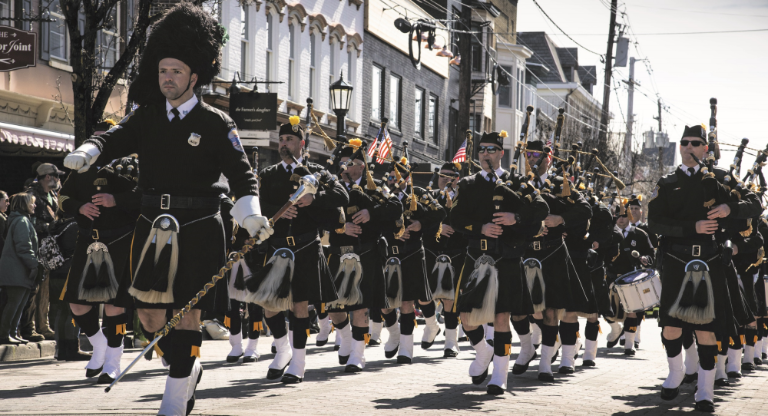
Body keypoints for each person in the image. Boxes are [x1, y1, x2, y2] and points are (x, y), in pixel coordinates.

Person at [62, 4, 272, 414]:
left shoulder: (217, 123)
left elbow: (242, 175)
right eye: (162, 71)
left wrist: (249, 212)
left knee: (187, 314)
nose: (167, 78)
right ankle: (185, 368)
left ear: (194, 76)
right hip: (151, 224)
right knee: (152, 319)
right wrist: (89, 150)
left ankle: (174, 398)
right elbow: (113, 138)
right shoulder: (147, 118)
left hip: (199, 224)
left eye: (175, 72)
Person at [649, 124, 762, 413]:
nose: (688, 147)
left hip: (710, 261)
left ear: (705, 149)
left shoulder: (721, 179)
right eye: (684, 142)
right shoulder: (668, 182)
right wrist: (692, 227)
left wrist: (729, 209)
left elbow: (755, 203)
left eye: (695, 143)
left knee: (706, 331)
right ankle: (676, 372)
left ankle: (705, 391)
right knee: (671, 328)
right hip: (676, 261)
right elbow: (655, 223)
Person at [451, 131, 548, 394]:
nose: (485, 154)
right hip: (477, 257)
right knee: (467, 318)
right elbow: (455, 219)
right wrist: (479, 227)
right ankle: (483, 352)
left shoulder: (516, 181)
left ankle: (500, 375)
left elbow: (541, 209)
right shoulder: (469, 184)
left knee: (502, 317)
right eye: (482, 149)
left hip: (506, 256)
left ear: (501, 153)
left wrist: (515, 218)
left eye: (491, 149)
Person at [255, 119, 347, 383]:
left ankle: (299, 362)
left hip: (306, 246)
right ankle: (282, 350)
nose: (284, 144)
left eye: (290, 140)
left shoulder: (317, 171)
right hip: (278, 247)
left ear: (301, 144)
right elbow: (259, 204)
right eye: (282, 140)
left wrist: (312, 198)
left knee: (299, 307)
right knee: (269, 307)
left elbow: (342, 195)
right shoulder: (269, 174)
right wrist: (279, 211)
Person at [58, 156, 141, 382]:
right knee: (76, 303)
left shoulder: (131, 165)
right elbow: (63, 196)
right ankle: (100, 344)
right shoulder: (82, 168)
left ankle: (113, 362)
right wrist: (79, 207)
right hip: (87, 242)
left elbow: (144, 196)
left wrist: (116, 200)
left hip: (120, 241)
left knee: (114, 305)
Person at [325, 139, 402, 372]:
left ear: (361, 165)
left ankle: (358, 355)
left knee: (360, 306)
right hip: (338, 252)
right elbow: (319, 214)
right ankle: (347, 340)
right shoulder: (332, 186)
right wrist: (340, 228)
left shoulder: (375, 186)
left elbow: (395, 207)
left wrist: (371, 213)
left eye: (348, 163)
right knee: (334, 309)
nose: (344, 167)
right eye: (342, 162)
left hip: (366, 252)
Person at [522, 140, 592, 380]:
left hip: (553, 254)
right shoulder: (520, 184)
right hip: (526, 254)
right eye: (528, 154)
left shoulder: (561, 184)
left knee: (555, 311)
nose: (531, 158)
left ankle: (548, 364)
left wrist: (560, 218)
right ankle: (527, 348)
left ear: (548, 158)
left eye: (537, 155)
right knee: (523, 311)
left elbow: (585, 210)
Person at [380, 147, 444, 364]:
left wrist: (420, 224)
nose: (393, 180)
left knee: (408, 302)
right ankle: (394, 334)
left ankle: (406, 349)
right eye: (390, 176)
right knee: (384, 303)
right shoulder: (381, 195)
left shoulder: (418, 194)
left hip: (412, 253)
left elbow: (439, 213)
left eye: (397, 176)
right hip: (388, 254)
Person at [422, 162, 465, 358]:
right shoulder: (428, 197)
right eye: (442, 175)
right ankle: (432, 325)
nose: (445, 179)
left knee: (449, 299)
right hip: (431, 250)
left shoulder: (463, 198)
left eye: (450, 176)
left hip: (455, 251)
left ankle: (451, 342)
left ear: (457, 178)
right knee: (424, 295)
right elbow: (420, 224)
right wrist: (438, 228)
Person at [606, 197, 655, 356]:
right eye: (618, 216)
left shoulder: (639, 234)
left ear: (630, 217)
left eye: (624, 216)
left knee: (632, 312)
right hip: (611, 276)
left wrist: (646, 259)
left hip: (631, 278)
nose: (621, 219)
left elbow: (651, 254)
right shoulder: (609, 234)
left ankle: (629, 344)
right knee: (606, 309)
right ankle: (615, 329)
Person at [21, 163, 64, 342]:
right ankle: (29, 328)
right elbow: (26, 223)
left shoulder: (52, 194)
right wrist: (51, 226)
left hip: (50, 248)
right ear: (48, 177)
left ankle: (43, 326)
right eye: (56, 176)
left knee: (45, 291)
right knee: (34, 290)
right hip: (36, 247)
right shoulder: (31, 195)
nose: (58, 179)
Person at [0, 193, 39, 345]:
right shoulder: (22, 221)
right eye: (32, 203)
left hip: (19, 270)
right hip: (17, 270)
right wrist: (34, 264)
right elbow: (24, 247)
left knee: (19, 304)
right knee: (14, 304)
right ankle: (4, 334)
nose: (34, 205)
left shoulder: (20, 220)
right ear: (24, 204)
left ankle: (11, 333)